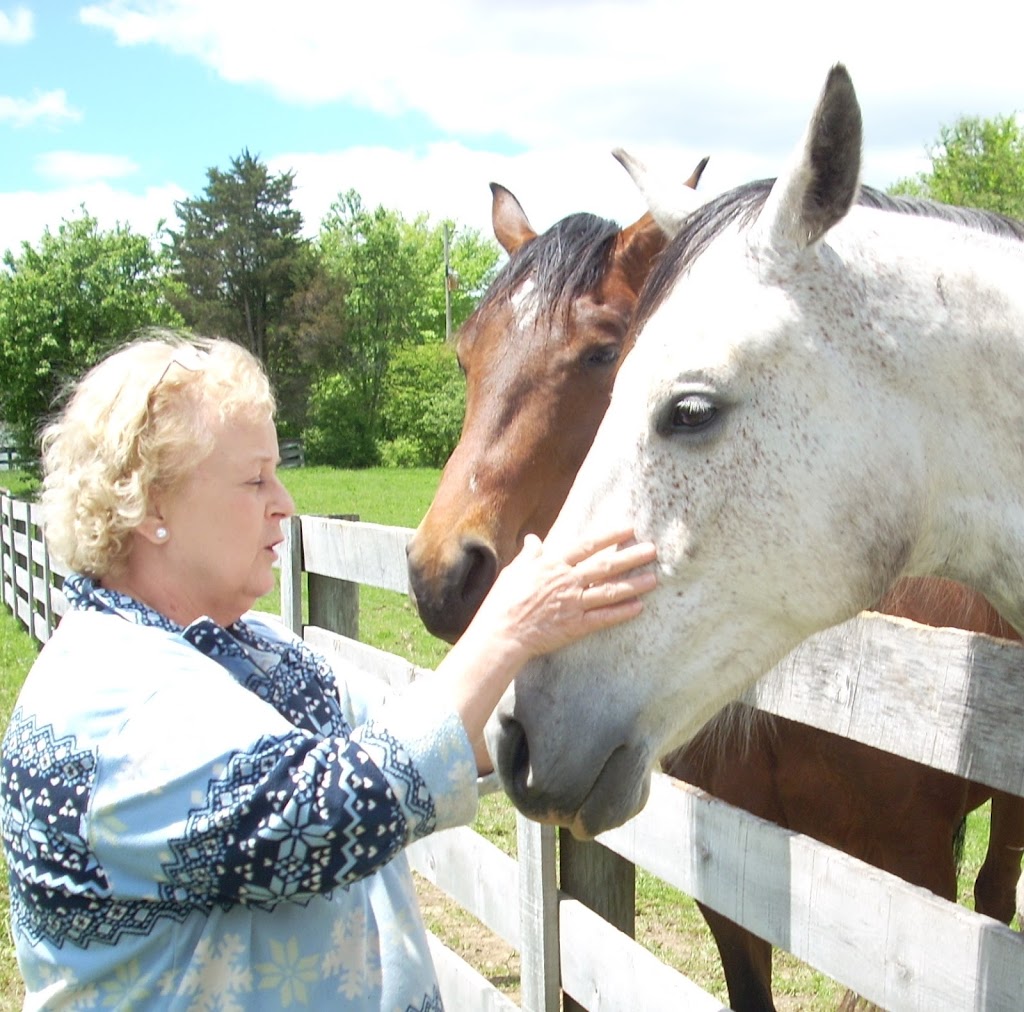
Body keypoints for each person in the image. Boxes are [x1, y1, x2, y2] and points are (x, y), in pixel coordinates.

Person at [0, 331, 656, 1010]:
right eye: (255, 479)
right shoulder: (114, 706)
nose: (283, 501)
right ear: (153, 504)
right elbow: (333, 810)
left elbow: (417, 731)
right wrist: (508, 626)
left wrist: (606, 672)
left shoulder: (242, 647)